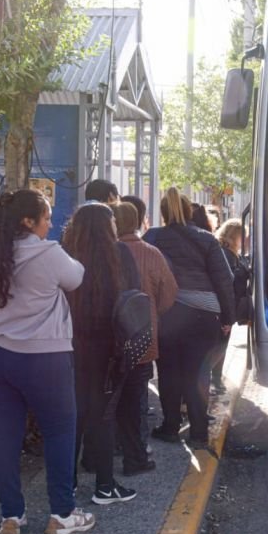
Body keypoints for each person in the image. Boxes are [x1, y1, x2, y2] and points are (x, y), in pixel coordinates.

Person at [0, 189, 93, 534]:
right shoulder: (49, 253)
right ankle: (62, 515)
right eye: (46, 218)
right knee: (59, 430)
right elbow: (77, 277)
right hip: (43, 357)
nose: (50, 224)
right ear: (28, 221)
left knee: (3, 432)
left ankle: (11, 516)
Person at [143, 188, 235, 449]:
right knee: (199, 373)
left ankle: (170, 427)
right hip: (205, 315)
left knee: (169, 371)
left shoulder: (152, 237)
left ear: (162, 212)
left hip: (168, 313)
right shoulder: (206, 239)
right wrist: (228, 318)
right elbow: (225, 280)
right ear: (189, 212)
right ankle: (198, 433)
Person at [62, 203, 138, 506]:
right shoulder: (120, 255)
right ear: (110, 227)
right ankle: (105, 486)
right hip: (109, 347)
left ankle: (65, 483)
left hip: (68, 346)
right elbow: (134, 297)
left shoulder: (63, 254)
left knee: (71, 416)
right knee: (104, 415)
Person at [111, 202, 177, 476]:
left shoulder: (105, 254)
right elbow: (169, 293)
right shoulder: (152, 254)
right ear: (138, 222)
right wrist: (151, 315)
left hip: (108, 340)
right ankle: (135, 456)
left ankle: (107, 450)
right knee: (137, 401)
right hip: (141, 338)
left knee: (109, 398)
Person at [211, 219, 248, 394]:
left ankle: (215, 379)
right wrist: (227, 317)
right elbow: (228, 285)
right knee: (219, 345)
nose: (245, 240)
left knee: (220, 345)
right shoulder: (226, 254)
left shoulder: (228, 252)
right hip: (223, 308)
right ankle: (215, 380)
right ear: (235, 236)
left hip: (225, 307)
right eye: (243, 236)